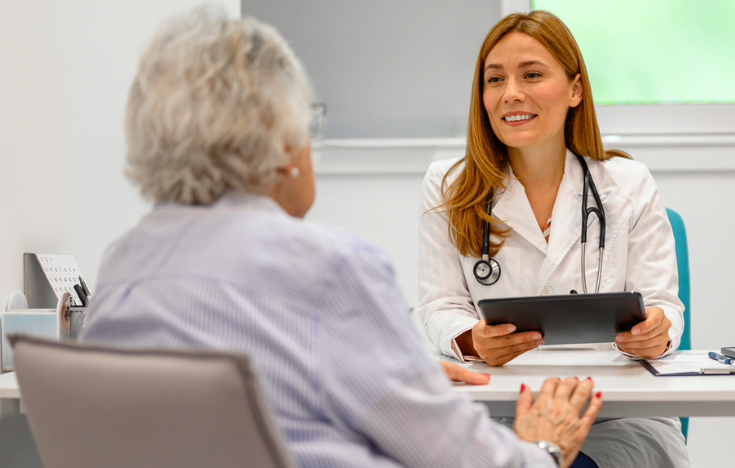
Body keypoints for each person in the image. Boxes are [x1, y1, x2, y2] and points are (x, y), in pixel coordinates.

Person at [81, 7, 602, 468]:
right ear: (281, 145)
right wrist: (544, 451)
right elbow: (464, 459)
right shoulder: (332, 267)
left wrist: (397, 380)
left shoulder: (123, 266)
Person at [417, 11, 690, 468]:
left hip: (613, 415)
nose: (511, 94)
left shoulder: (628, 183)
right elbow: (439, 305)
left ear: (575, 90)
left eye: (532, 75)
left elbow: (665, 306)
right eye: (495, 79)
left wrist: (655, 333)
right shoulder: (449, 184)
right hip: (495, 411)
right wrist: (473, 340)